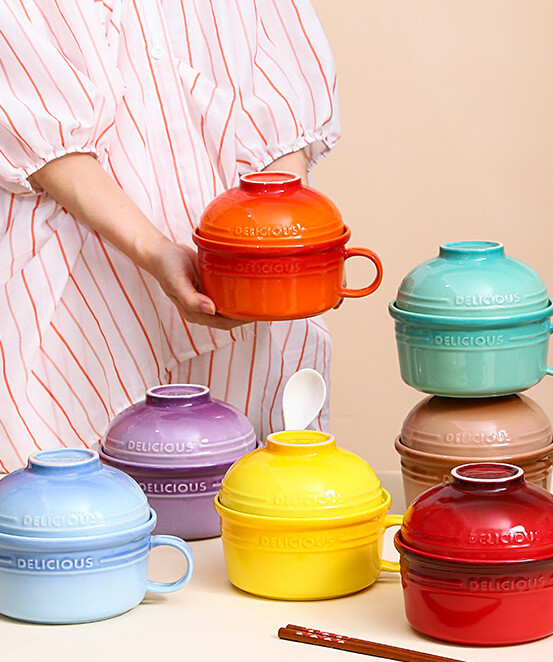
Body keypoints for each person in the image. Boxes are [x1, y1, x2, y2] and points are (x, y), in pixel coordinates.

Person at [0, 0, 340, 472]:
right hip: (80, 294)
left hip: (247, 297)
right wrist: (158, 253)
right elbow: (42, 138)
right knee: (71, 520)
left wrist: (282, 248)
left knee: (255, 514)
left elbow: (283, 117)